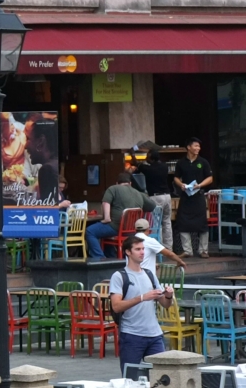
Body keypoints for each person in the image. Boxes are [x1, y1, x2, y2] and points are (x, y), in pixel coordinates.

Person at [108, 235, 169, 366]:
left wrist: (168, 296)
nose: (142, 252)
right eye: (137, 249)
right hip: (131, 335)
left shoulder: (149, 274)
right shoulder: (119, 276)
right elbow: (116, 306)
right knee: (131, 375)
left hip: (155, 335)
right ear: (128, 252)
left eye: (143, 249)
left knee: (160, 373)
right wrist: (142, 298)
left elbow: (165, 304)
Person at [87, 174, 149, 259]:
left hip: (116, 227)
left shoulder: (113, 188)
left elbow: (106, 202)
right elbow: (152, 206)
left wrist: (107, 218)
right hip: (133, 229)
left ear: (117, 183)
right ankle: (111, 256)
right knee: (104, 233)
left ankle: (100, 258)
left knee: (90, 231)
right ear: (130, 183)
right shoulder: (138, 193)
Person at [173, 138, 215, 258]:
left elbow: (210, 178)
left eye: (199, 146)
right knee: (182, 222)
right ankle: (187, 250)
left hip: (199, 196)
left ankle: (203, 250)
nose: (198, 148)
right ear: (188, 147)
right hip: (186, 197)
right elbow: (176, 177)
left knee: (202, 223)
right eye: (195, 146)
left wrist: (200, 185)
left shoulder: (203, 162)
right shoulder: (181, 163)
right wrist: (181, 184)